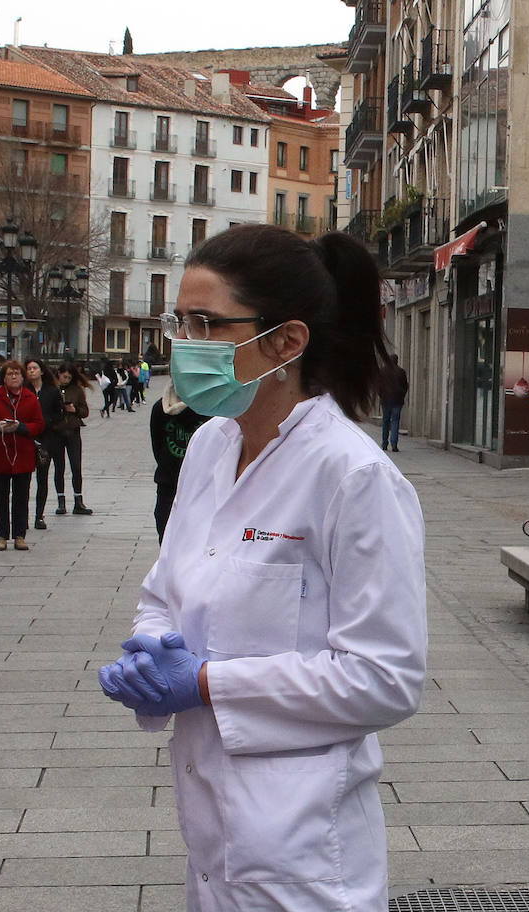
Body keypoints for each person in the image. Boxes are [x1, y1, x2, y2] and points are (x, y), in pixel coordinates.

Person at [96, 224, 427, 909]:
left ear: (286, 342)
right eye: (178, 321)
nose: (183, 342)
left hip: (303, 849)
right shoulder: (212, 446)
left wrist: (210, 682)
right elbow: (167, 586)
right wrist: (151, 649)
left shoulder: (353, 475)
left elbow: (385, 678)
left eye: (207, 324)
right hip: (210, 828)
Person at [0, 360, 45, 550]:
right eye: (9, 374)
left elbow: (39, 425)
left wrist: (21, 427)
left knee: (21, 498)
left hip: (22, 455)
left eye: (17, 373)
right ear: (4, 378)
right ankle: (1, 535)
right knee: (0, 497)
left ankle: (19, 535)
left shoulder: (30, 398)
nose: (14, 377)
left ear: (23, 377)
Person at [149, 377, 208, 541]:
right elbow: (158, 445)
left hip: (202, 488)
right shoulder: (159, 409)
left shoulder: (211, 408)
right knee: (166, 538)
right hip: (169, 486)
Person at [50, 362, 94, 517]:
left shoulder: (77, 390)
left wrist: (75, 410)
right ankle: (61, 500)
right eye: (64, 376)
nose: (66, 379)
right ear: (58, 374)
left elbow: (85, 411)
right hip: (57, 432)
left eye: (69, 377)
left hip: (73, 432)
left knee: (76, 466)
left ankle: (78, 500)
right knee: (59, 467)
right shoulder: (53, 390)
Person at [25, 359, 62, 530]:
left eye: (34, 368)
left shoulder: (52, 391)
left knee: (42, 477)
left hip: (46, 440)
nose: (31, 371)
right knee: (23, 479)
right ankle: (22, 515)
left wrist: (48, 423)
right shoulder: (23, 391)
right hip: (26, 438)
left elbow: (58, 414)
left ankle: (39, 515)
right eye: (29, 368)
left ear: (41, 371)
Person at [378, 355, 408, 452]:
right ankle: (394, 444)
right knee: (395, 421)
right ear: (397, 361)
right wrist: (402, 395)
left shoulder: (382, 371)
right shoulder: (401, 372)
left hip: (386, 400)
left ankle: (384, 444)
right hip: (397, 401)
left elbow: (378, 386)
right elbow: (405, 386)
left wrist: (381, 395)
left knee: (385, 421)